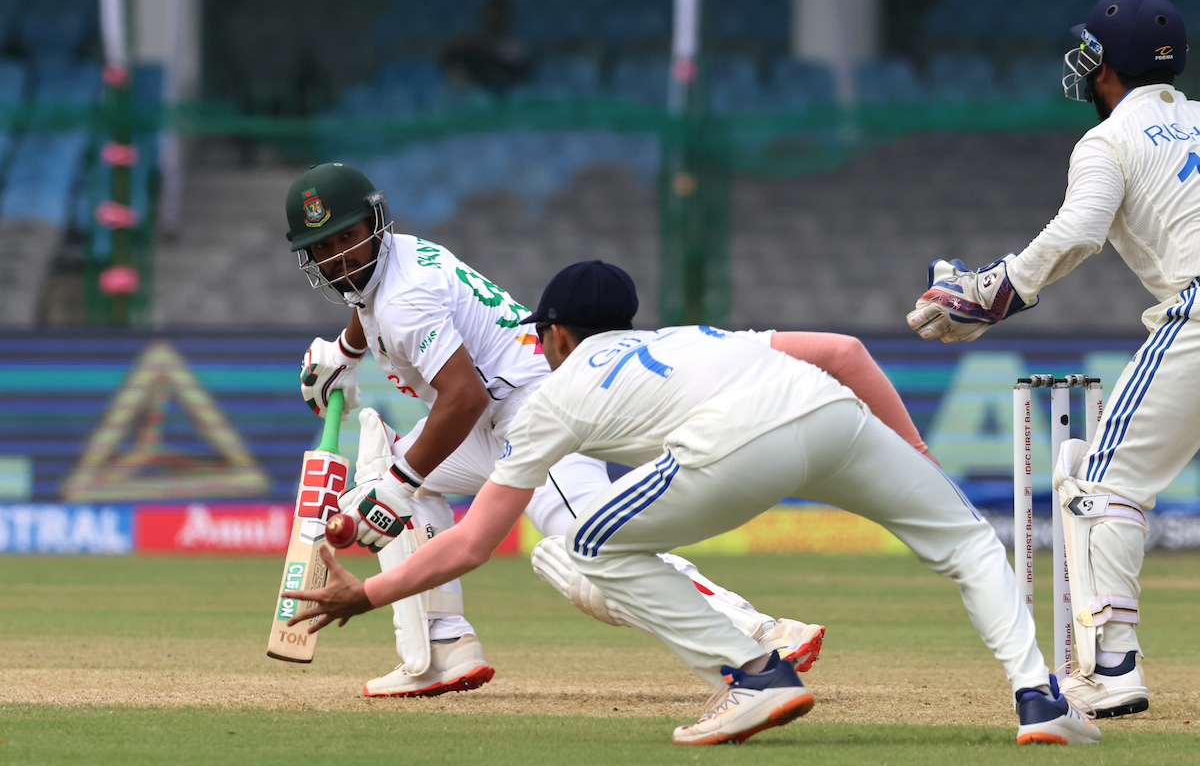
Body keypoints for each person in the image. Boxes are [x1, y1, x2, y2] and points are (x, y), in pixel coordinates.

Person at [284, 260, 1100, 746]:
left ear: (556, 336)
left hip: (732, 449)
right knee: (966, 543)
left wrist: (368, 593)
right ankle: (1039, 698)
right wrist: (912, 457)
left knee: (576, 548)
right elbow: (847, 352)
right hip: (831, 416)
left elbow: (469, 546)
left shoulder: (557, 397)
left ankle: (755, 673)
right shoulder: (693, 336)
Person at [286, 163, 839, 698]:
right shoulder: (388, 262)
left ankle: (763, 633)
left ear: (374, 225)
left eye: (348, 239)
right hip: (495, 415)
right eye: (324, 249)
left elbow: (462, 396)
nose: (339, 259)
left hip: (538, 408)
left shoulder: (406, 298)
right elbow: (367, 300)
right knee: (398, 476)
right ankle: (444, 644)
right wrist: (345, 350)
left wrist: (399, 487)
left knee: (595, 547)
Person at [905, 0, 1192, 719]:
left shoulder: (1109, 140)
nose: (1083, 66)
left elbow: (1078, 231)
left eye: (1090, 52)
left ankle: (1113, 666)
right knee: (1100, 475)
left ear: (1108, 65)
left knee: (1098, 482)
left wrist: (987, 295)